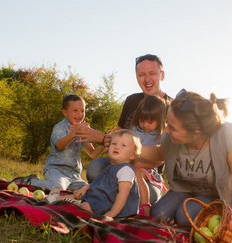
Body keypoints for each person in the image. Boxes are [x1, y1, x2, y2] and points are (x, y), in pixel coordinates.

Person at [138, 89, 232, 225]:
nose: (166, 130)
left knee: (184, 216)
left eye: (172, 128)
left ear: (195, 134)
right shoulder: (170, 136)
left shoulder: (228, 136)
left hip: (214, 195)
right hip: (183, 190)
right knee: (158, 214)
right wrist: (133, 148)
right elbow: (159, 153)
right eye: (167, 122)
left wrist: (230, 226)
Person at [77, 54, 172, 205]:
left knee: (149, 194)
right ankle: (117, 196)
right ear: (137, 77)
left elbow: (163, 154)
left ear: (162, 75)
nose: (147, 79)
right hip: (119, 164)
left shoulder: (171, 107)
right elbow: (118, 136)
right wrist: (103, 138)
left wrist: (134, 159)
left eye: (152, 73)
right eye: (142, 74)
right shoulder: (131, 101)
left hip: (145, 172)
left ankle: (111, 195)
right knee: (94, 169)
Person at [12, 94, 106, 191]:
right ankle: (30, 181)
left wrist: (105, 143)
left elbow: (92, 153)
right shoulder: (59, 127)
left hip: (74, 176)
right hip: (56, 171)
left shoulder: (81, 131)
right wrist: (75, 132)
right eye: (75, 111)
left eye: (82, 111)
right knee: (58, 188)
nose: (79, 114)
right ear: (65, 112)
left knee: (89, 190)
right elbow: (59, 145)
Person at [53, 129, 141, 219]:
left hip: (116, 206)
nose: (117, 147)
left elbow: (123, 193)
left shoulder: (126, 170)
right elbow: (100, 182)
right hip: (105, 198)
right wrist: (85, 187)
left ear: (132, 155)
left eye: (123, 145)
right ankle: (56, 198)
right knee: (82, 195)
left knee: (86, 206)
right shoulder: (110, 167)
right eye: (114, 143)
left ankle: (75, 203)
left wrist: (113, 212)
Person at [130, 95, 168, 216]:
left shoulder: (161, 135)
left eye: (150, 122)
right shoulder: (135, 130)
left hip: (147, 168)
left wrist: (140, 164)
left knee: (137, 173)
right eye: (142, 121)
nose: (145, 125)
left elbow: (160, 160)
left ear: (160, 120)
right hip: (129, 163)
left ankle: (145, 206)